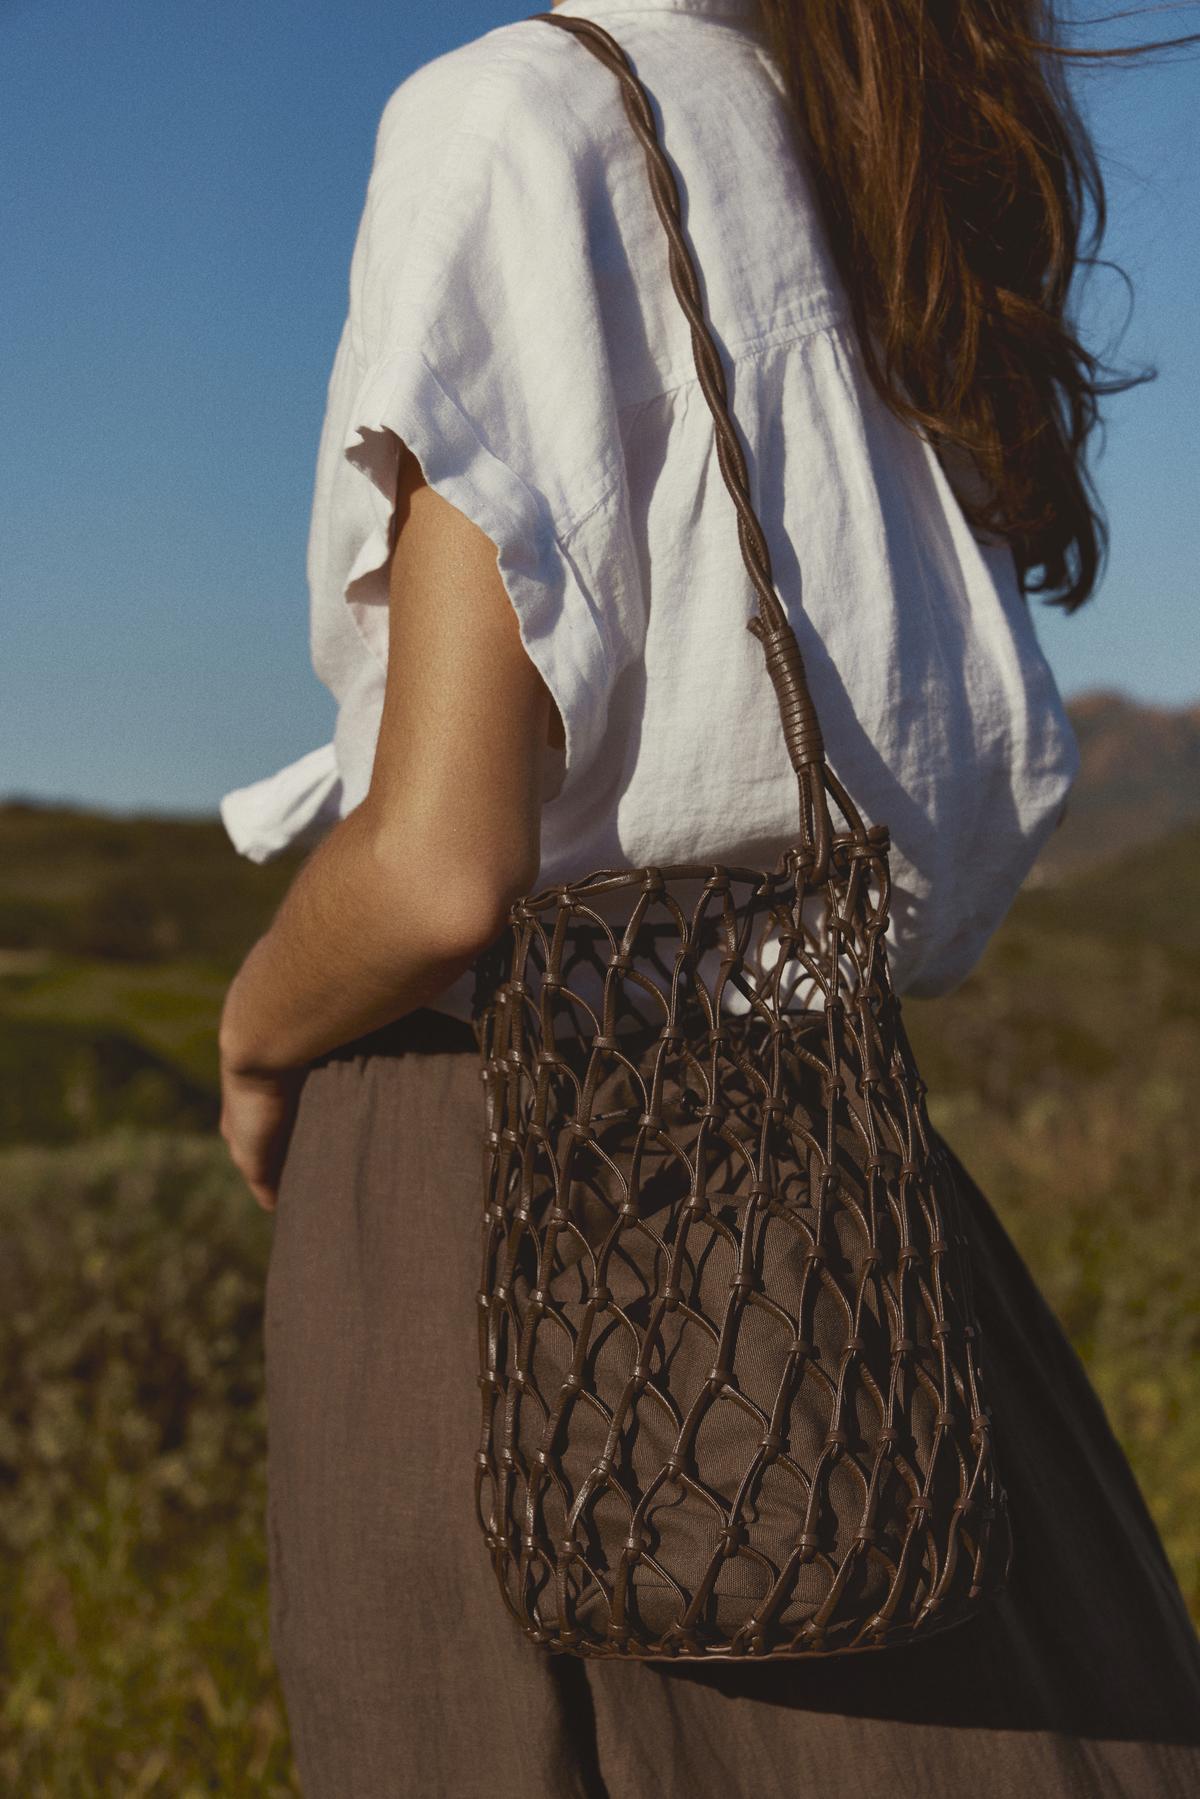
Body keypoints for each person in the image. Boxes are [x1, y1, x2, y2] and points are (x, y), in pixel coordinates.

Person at [216, 1, 1200, 1792]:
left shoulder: (514, 119)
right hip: (857, 1199)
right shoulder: (866, 141)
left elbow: (443, 874)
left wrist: (258, 1024)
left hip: (503, 1175)